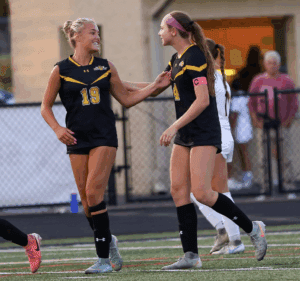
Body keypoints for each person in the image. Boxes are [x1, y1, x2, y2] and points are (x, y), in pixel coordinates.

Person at [41, 18, 170, 274]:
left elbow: (126, 98)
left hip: (104, 137)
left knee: (94, 193)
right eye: (92, 33)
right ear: (76, 36)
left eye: (98, 33)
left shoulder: (106, 66)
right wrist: (57, 129)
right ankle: (109, 241)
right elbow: (45, 107)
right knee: (86, 202)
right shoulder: (61, 69)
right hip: (77, 139)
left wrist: (155, 86)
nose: (97, 37)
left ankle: (103, 260)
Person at [156, 11, 266, 269]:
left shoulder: (195, 55)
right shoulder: (176, 58)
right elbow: (154, 86)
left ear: (174, 30)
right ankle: (191, 256)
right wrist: (115, 86)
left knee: (203, 193)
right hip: (186, 133)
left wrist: (173, 125)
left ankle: (253, 228)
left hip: (204, 132)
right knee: (178, 190)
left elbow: (202, 99)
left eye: (162, 27)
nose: (159, 32)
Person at [190, 38, 245, 255]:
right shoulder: (218, 77)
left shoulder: (210, 78)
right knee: (200, 190)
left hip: (217, 135)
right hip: (221, 134)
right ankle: (227, 233)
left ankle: (233, 237)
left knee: (216, 190)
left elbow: (202, 106)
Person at [248, 50, 298, 195]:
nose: (272, 65)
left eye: (275, 63)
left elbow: (293, 102)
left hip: (282, 124)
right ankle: (265, 186)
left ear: (279, 64)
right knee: (264, 157)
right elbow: (251, 101)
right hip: (263, 124)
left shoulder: (286, 80)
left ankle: (287, 185)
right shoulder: (258, 80)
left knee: (285, 156)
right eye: (269, 63)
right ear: (265, 64)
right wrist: (255, 119)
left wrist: (289, 119)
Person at [228, 80, 254, 190]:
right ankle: (245, 176)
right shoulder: (245, 96)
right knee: (242, 153)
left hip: (241, 129)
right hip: (246, 127)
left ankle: (248, 177)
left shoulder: (237, 98)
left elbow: (234, 115)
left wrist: (231, 130)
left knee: (244, 153)